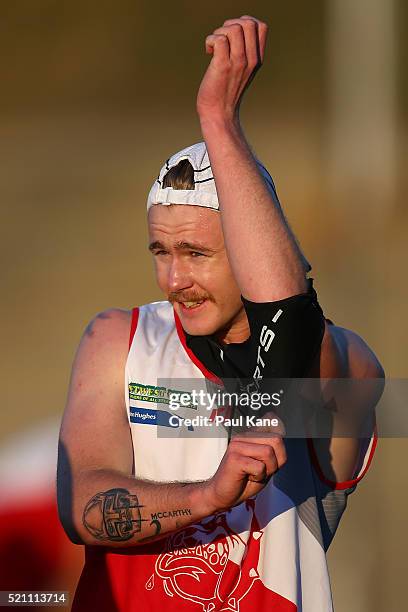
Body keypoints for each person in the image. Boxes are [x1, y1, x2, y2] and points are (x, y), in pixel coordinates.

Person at [57, 15, 384, 611]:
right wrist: (209, 496)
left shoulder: (345, 364)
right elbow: (82, 507)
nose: (174, 279)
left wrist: (219, 122)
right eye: (161, 251)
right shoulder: (118, 339)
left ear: (255, 248)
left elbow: (289, 320)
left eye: (197, 253)